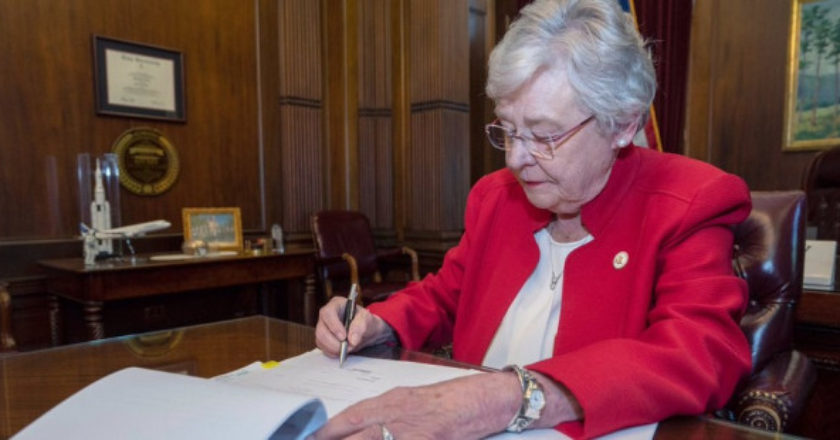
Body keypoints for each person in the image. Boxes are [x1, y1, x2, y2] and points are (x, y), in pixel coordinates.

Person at [312, 0, 752, 438]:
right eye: (508, 129)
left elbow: (699, 352)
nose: (518, 159)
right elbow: (446, 297)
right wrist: (377, 323)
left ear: (622, 124)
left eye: (544, 136)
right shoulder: (494, 198)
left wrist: (508, 395)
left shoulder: (690, 201)